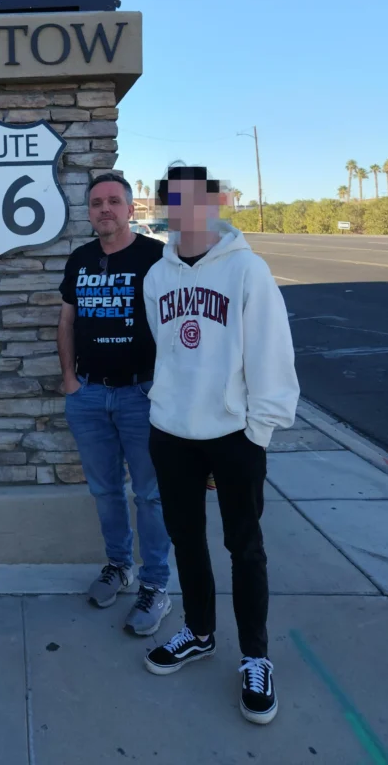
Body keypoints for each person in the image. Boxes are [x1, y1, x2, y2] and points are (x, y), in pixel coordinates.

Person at [142, 165, 299, 726]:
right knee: (186, 541)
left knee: (245, 547)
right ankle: (200, 632)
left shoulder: (248, 271)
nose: (185, 212)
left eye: (194, 200)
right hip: (172, 435)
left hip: (234, 437)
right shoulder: (156, 277)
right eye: (174, 202)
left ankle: (256, 657)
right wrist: (169, 416)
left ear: (214, 205)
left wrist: (255, 435)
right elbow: (170, 353)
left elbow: (272, 360)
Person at [58, 173, 173, 635]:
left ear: (130, 209)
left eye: (113, 201)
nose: (104, 209)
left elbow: (176, 318)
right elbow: (66, 320)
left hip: (142, 395)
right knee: (105, 491)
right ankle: (119, 566)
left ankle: (156, 585)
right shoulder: (80, 259)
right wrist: (70, 381)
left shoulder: (155, 256)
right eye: (96, 203)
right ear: (89, 212)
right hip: (88, 394)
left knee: (149, 495)